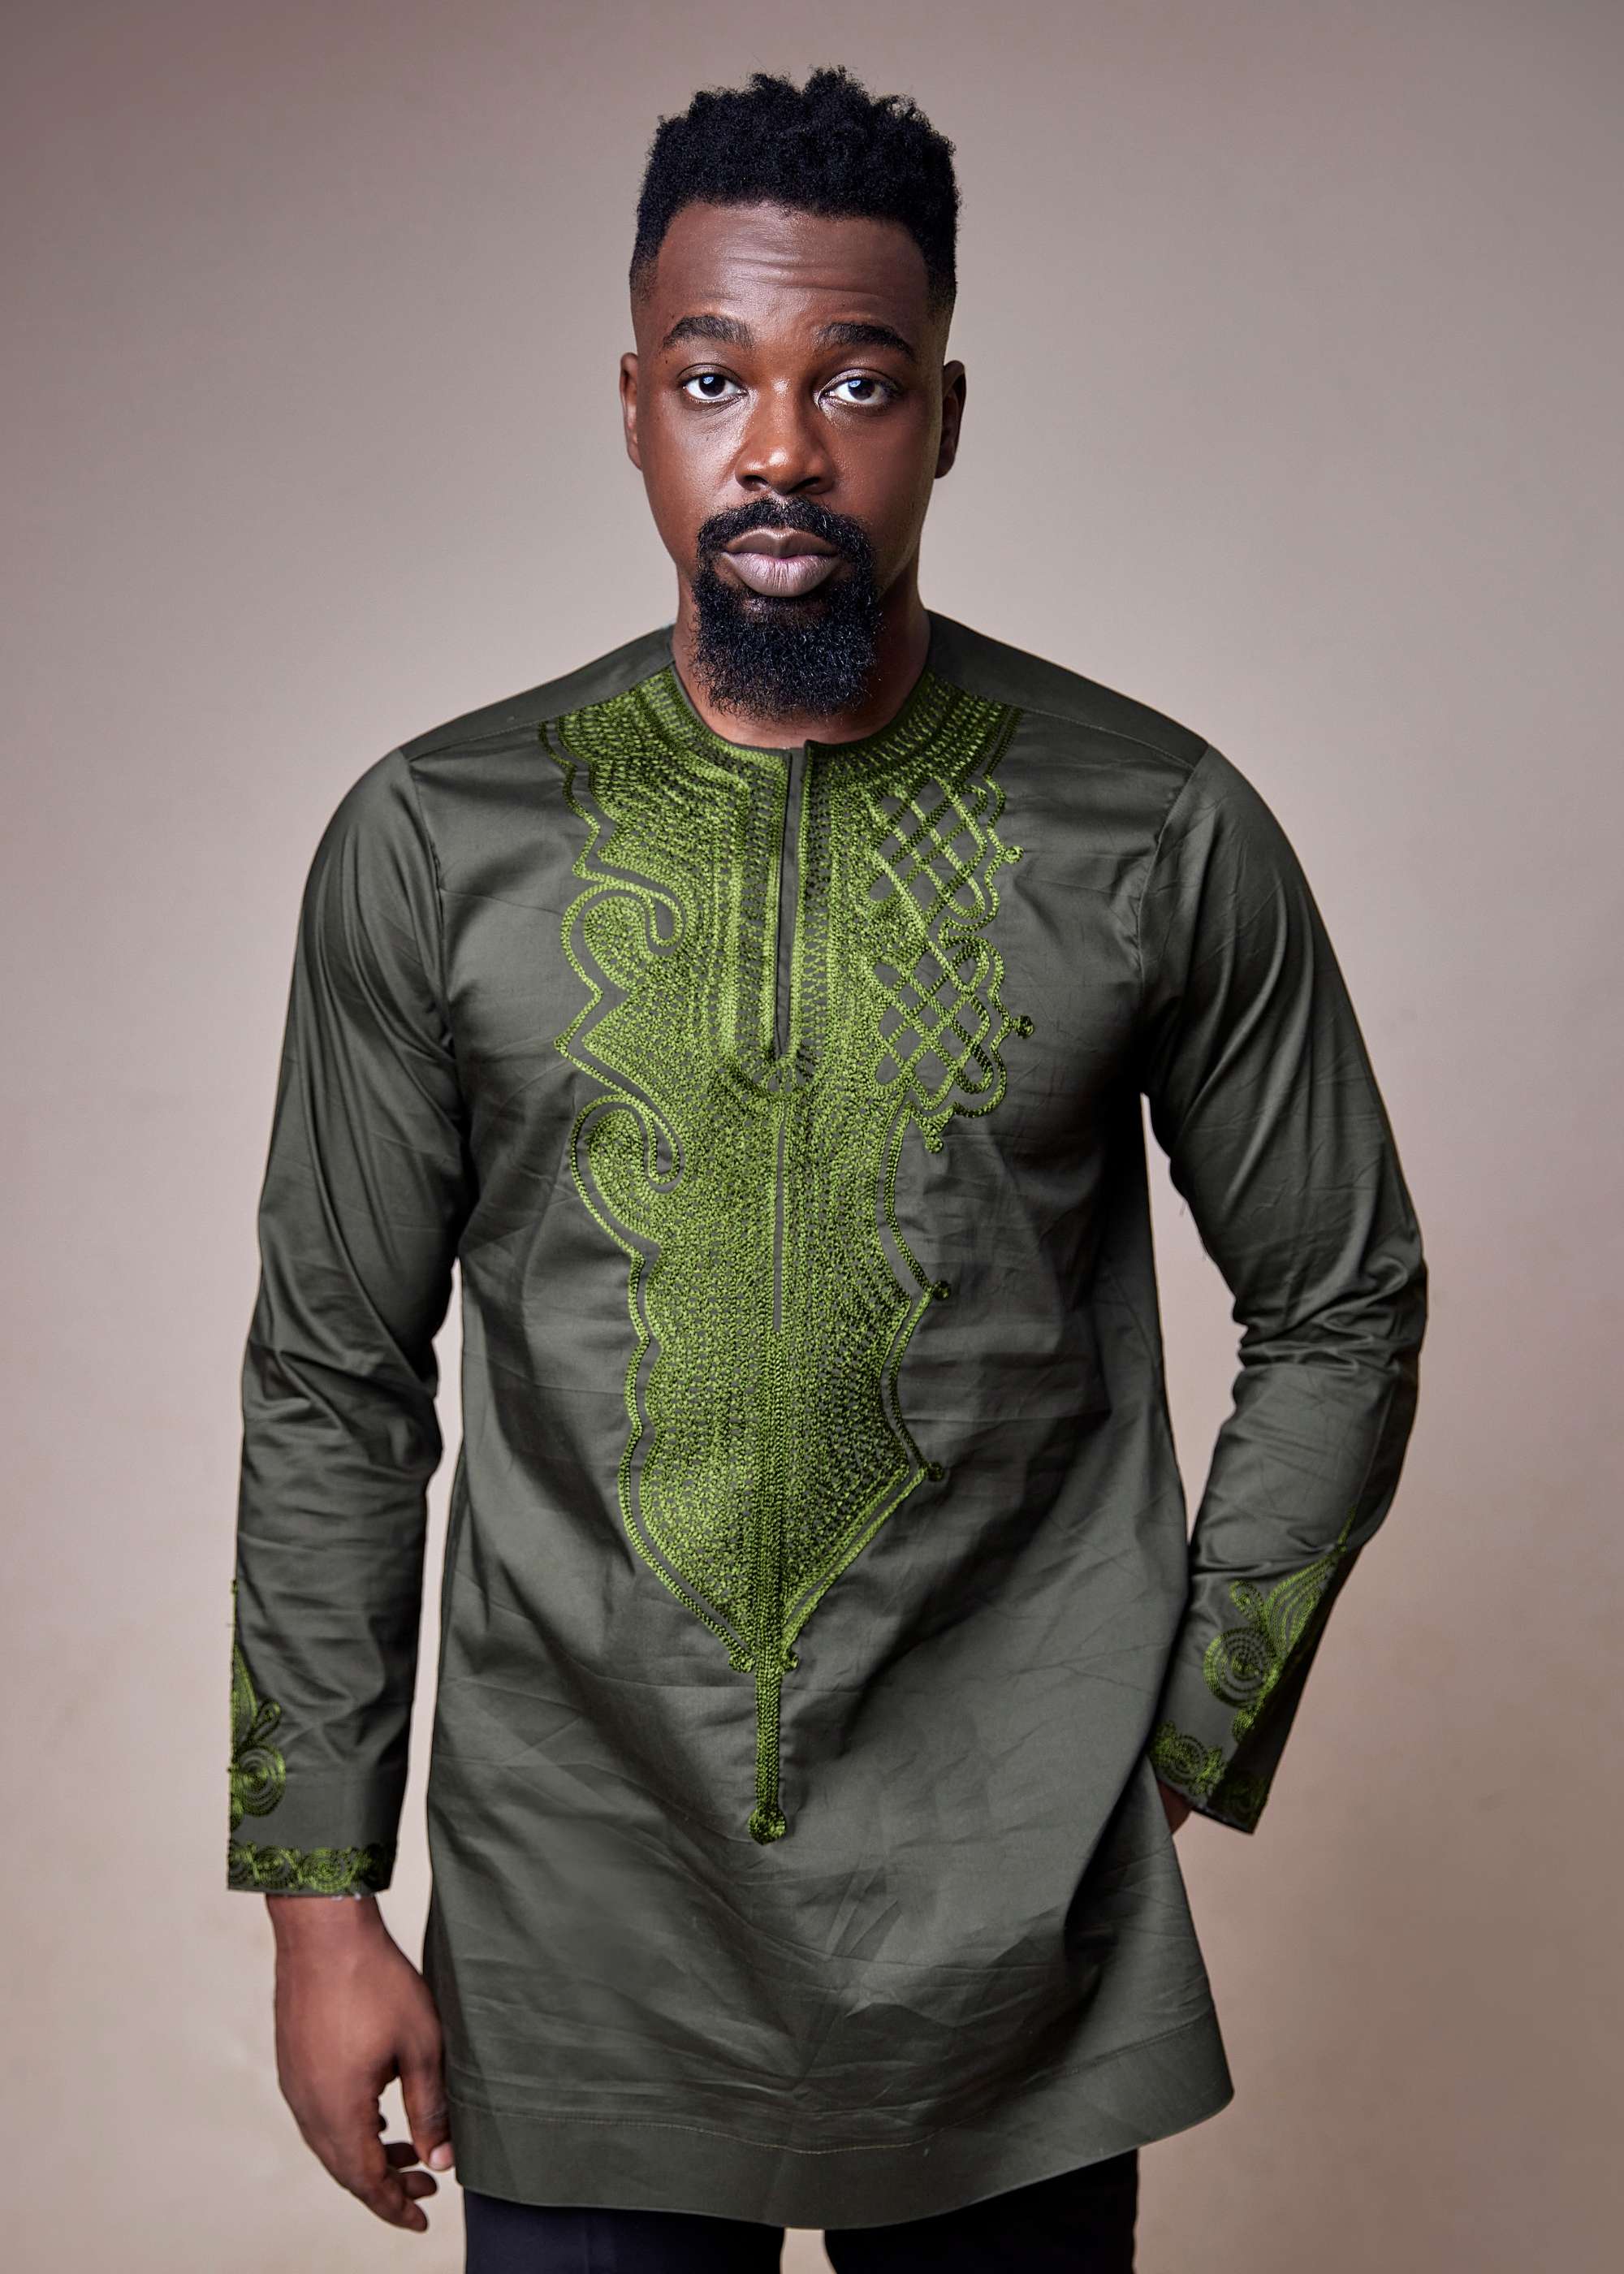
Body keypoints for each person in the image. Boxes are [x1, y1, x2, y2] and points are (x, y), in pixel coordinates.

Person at [225, 63, 1428, 2273]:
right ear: (634, 408)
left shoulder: (1153, 827)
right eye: (715, 379)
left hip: (1012, 1930)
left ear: (944, 418)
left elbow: (1345, 1298)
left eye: (854, 381)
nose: (779, 447)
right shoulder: (437, 840)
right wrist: (320, 1900)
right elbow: (334, 1375)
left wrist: (1179, 1740)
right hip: (580, 1914)